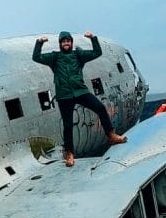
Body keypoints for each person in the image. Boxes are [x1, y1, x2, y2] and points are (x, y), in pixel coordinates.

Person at [33, 31, 127, 167]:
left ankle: (111, 135)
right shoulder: (54, 57)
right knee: (67, 125)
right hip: (64, 96)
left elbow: (97, 53)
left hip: (80, 91)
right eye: (63, 41)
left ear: (71, 43)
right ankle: (69, 154)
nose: (66, 43)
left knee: (100, 108)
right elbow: (36, 57)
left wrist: (93, 39)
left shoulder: (78, 55)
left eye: (68, 41)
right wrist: (39, 43)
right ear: (60, 44)